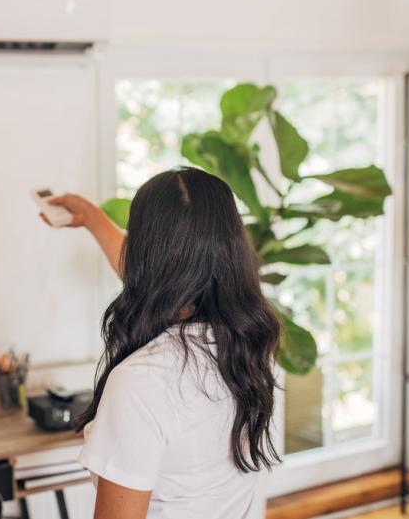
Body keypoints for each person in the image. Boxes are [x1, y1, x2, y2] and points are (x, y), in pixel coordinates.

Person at [42, 168, 281, 519]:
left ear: (145, 256)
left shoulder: (141, 382)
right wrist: (92, 218)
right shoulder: (249, 346)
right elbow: (167, 272)